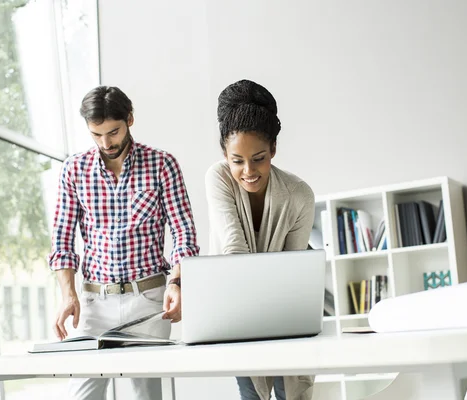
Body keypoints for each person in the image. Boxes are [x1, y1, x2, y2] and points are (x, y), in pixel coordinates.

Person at [48, 85, 199, 399]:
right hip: (93, 304)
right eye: (96, 135)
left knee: (146, 396)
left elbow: (184, 233)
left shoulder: (162, 165)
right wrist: (68, 294)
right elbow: (61, 240)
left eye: (113, 132)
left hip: (147, 300)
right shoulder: (74, 170)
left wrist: (177, 283)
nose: (106, 143)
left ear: (130, 119)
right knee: (82, 395)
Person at [205, 79, 315, 400]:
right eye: (236, 160)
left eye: (259, 158)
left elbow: (294, 270)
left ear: (274, 150)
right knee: (250, 393)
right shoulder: (218, 177)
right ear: (225, 154)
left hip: (285, 313)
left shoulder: (299, 195)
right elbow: (233, 248)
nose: (248, 170)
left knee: (290, 390)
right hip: (235, 315)